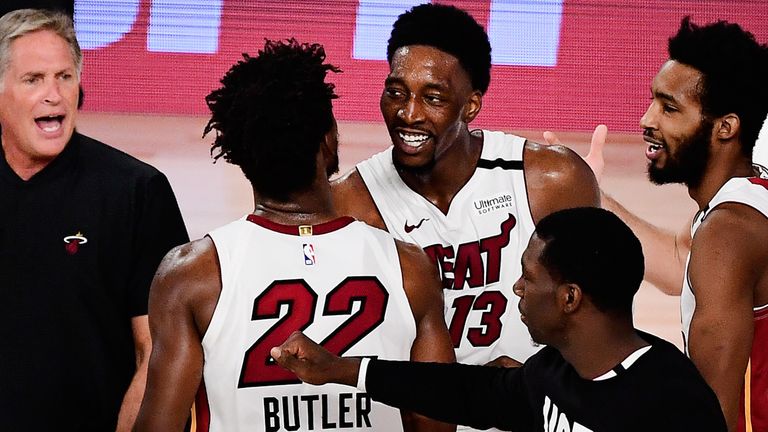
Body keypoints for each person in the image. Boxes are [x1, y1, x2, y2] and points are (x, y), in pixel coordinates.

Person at [133, 39, 455, 432]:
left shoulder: (192, 273)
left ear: (236, 152)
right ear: (328, 139)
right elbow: (436, 420)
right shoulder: (408, 266)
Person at [271, 207, 727, 432]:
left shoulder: (673, 404)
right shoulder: (553, 374)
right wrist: (339, 369)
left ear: (570, 298)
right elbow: (467, 393)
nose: (518, 289)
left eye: (530, 278)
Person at [331, 2, 598, 383]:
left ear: (471, 106)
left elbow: (599, 321)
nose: (408, 114)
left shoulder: (551, 179)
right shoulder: (350, 202)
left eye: (433, 97)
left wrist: (538, 381)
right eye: (396, 92)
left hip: (530, 409)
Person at [548, 17, 768, 432]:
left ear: (726, 127)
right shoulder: (747, 199)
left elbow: (707, 416)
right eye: (653, 101)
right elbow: (679, 262)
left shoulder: (729, 230)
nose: (647, 119)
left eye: (669, 108)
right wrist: (588, 196)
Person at [0, 8, 189, 431]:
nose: (55, 95)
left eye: (64, 77)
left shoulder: (137, 192)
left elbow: (157, 352)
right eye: (34, 80)